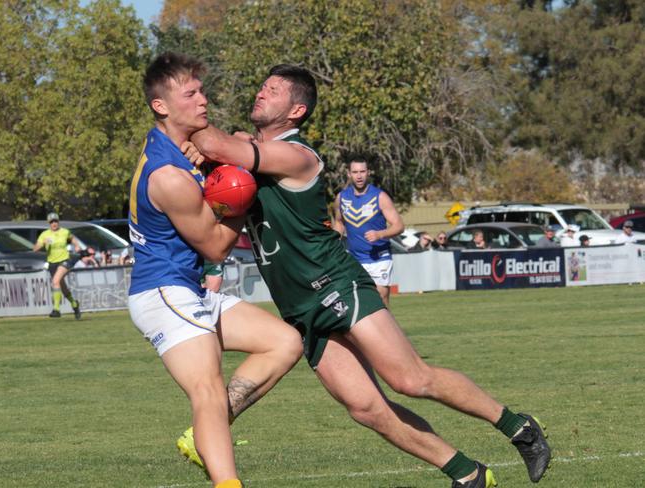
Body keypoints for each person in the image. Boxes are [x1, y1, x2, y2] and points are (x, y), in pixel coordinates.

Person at [181, 63, 551, 487]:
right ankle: (468, 474)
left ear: (297, 111)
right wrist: (214, 148)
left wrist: (188, 125)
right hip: (299, 308)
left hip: (336, 284)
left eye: (274, 90)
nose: (261, 93)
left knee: (410, 378)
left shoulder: (298, 156)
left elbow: (215, 142)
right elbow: (225, 150)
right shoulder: (245, 153)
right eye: (262, 86)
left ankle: (518, 428)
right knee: (366, 409)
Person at [127, 52, 302, 488]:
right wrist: (241, 190)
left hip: (186, 289)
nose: (203, 99)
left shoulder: (175, 146)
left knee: (284, 342)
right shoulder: (168, 175)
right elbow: (217, 246)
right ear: (161, 105)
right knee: (206, 391)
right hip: (164, 292)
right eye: (190, 94)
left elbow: (228, 142)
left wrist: (223, 160)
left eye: (202, 90)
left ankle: (205, 435)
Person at [332, 158, 405, 307]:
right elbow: (339, 222)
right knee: (357, 303)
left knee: (380, 299)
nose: (359, 176)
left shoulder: (380, 197)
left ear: (368, 173)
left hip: (379, 258)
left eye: (362, 171)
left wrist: (380, 234)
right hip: (354, 259)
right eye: (355, 172)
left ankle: (386, 330)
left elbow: (399, 226)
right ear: (348, 174)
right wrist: (333, 240)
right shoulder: (341, 198)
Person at [33, 212, 81, 319]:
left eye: (55, 221)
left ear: (58, 222)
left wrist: (77, 246)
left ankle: (56, 309)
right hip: (52, 263)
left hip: (64, 260)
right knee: (62, 286)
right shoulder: (45, 234)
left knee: (55, 281)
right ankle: (74, 304)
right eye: (51, 222)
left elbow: (72, 238)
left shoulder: (64, 232)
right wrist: (43, 243)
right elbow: (35, 248)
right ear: (49, 223)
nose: (54, 223)